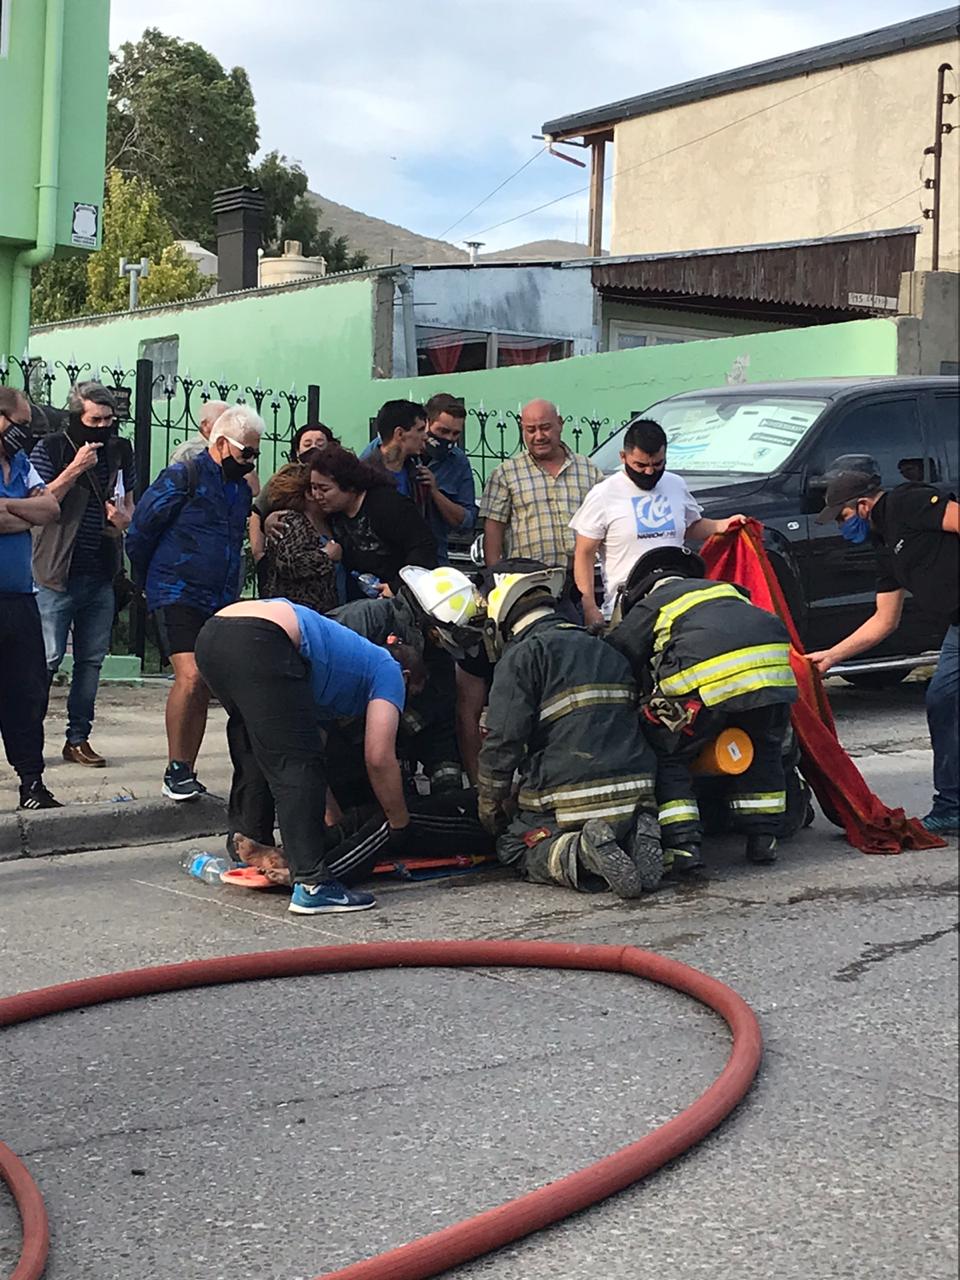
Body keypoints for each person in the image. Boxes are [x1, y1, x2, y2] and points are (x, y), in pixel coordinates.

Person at [194, 596, 422, 914]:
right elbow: (379, 757)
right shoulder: (389, 670)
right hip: (261, 636)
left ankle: (249, 841)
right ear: (407, 676)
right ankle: (313, 884)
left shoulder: (336, 676)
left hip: (213, 636)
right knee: (295, 763)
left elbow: (313, 753)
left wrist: (334, 825)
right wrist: (398, 821)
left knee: (257, 750)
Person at [607, 546, 798, 870]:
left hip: (705, 685)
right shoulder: (728, 590)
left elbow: (618, 654)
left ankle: (683, 846)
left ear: (641, 590)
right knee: (764, 748)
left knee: (669, 751)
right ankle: (764, 838)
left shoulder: (654, 603)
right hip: (771, 677)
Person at [476, 563, 661, 897]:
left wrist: (490, 801)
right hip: (637, 789)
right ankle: (635, 832)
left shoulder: (522, 656)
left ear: (502, 623)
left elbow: (503, 742)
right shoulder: (607, 646)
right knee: (613, 826)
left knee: (515, 846)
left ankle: (582, 853)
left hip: (568, 800)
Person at [808, 465, 959, 836]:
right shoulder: (885, 548)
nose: (842, 527)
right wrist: (831, 656)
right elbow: (884, 620)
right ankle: (952, 806)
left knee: (946, 699)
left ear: (862, 505)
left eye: (843, 517)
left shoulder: (907, 501)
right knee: (943, 701)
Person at [126, 404, 262, 800]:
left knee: (204, 682)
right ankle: (176, 767)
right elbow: (141, 530)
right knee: (191, 675)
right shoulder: (183, 476)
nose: (251, 461)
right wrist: (152, 580)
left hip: (218, 597)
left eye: (255, 453)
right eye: (246, 452)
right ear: (220, 443)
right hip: (176, 590)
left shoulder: (239, 490)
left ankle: (186, 767)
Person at [30, 382, 136, 769]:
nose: (104, 427)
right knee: (47, 659)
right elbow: (39, 501)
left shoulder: (120, 450)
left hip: (101, 571)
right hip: (56, 571)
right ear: (77, 417)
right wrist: (75, 468)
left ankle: (78, 738)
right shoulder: (51, 448)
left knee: (90, 661)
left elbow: (130, 504)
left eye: (109, 420)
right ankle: (28, 737)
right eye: (95, 421)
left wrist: (123, 519)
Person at [572, 418, 746, 632]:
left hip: (678, 599)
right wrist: (589, 606)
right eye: (640, 465)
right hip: (629, 608)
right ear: (623, 457)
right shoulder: (603, 494)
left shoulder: (675, 484)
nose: (649, 472)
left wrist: (723, 526)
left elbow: (690, 526)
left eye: (657, 465)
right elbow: (584, 553)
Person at [0, 388, 62, 810]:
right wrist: (25, 511)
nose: (25, 433)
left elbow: (51, 509)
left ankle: (32, 784)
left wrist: (10, 507)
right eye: (20, 424)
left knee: (27, 693)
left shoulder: (20, 462)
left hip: (20, 600)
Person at [479, 399, 601, 608]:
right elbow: (493, 532)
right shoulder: (506, 474)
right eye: (531, 430)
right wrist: (496, 581)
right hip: (529, 586)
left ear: (560, 424)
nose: (539, 436)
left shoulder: (588, 470)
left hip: (582, 584)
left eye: (545, 428)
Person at [310, 445, 437, 597]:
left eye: (324, 489)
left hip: (401, 595)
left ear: (349, 486)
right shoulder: (331, 512)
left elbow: (423, 547)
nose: (317, 496)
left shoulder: (388, 505)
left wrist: (397, 586)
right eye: (313, 488)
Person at [259, 457, 340, 614]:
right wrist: (326, 555)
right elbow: (289, 564)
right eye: (316, 488)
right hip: (297, 614)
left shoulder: (331, 520)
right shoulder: (291, 522)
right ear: (308, 493)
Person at [414, 393, 477, 564]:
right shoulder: (395, 449)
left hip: (435, 557)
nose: (449, 438)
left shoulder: (458, 462)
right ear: (426, 423)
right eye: (443, 431)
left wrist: (435, 493)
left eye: (456, 434)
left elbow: (467, 521)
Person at [168, 400, 229, 465]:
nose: (230, 425)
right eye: (223, 421)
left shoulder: (233, 448)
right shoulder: (187, 452)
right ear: (205, 425)